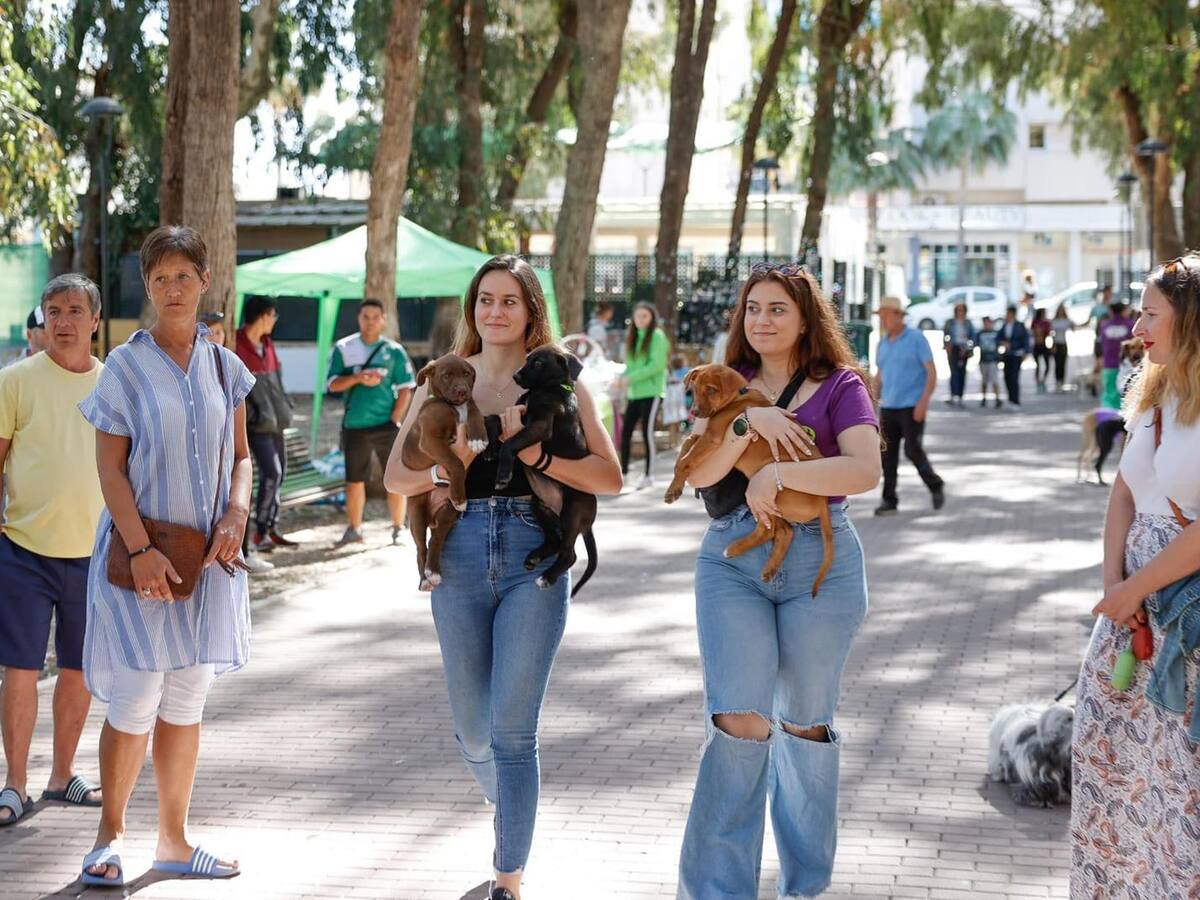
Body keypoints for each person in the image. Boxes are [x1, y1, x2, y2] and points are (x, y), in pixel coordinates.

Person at [384, 255, 622, 900]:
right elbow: (394, 478)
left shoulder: (558, 386)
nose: (495, 311)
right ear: (472, 308)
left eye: (509, 301)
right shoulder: (441, 383)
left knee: (513, 732)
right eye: (485, 299)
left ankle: (507, 878)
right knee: (472, 729)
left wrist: (538, 451)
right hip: (457, 555)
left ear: (530, 310)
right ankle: (512, 803)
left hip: (533, 557)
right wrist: (446, 468)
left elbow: (610, 477)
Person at [675, 263, 880, 900]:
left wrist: (779, 477)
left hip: (821, 563)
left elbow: (863, 469)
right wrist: (747, 425)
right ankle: (716, 891)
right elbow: (705, 476)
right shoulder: (724, 387)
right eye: (753, 309)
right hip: (732, 564)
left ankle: (804, 887)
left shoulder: (840, 384)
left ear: (804, 319)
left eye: (777, 310)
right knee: (740, 721)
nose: (761, 321)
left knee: (805, 727)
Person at [78, 225, 254, 885]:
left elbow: (241, 458)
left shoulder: (224, 366)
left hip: (210, 561)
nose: (172, 289)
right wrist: (141, 548)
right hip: (140, 561)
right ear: (147, 287)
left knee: (186, 701)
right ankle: (109, 838)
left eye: (184, 276)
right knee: (134, 697)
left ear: (205, 282)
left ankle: (174, 843)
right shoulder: (124, 366)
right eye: (159, 278)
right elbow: (111, 471)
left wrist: (237, 511)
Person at [1072, 255, 1200, 898]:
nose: (1138, 324)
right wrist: (1115, 585)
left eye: (1152, 312)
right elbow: (1123, 491)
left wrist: (1136, 589)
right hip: (1133, 604)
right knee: (1108, 752)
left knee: (1177, 775)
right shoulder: (1153, 387)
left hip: (1184, 608)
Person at [0, 275, 105, 827]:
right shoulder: (15, 381)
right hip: (22, 550)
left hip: (94, 555)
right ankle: (14, 785)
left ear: (94, 319)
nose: (62, 321)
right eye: (52, 311)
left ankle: (62, 775)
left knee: (80, 669)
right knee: (18, 668)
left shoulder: (115, 385)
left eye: (73, 310)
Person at [327, 298, 415, 548]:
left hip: (386, 424)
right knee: (354, 479)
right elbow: (332, 384)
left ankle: (398, 528)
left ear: (384, 320)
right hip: (355, 424)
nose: (370, 322)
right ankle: (354, 528)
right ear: (359, 318)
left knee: (395, 478)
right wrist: (356, 378)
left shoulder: (394, 351)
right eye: (366, 316)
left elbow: (406, 388)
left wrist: (395, 418)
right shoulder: (344, 347)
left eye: (375, 317)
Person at [235, 295, 296, 561]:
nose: (275, 320)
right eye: (273, 314)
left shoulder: (267, 344)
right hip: (256, 424)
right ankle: (260, 529)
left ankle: (270, 526)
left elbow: (277, 382)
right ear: (262, 315)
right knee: (272, 472)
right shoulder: (237, 343)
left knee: (278, 475)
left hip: (276, 421)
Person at [874, 295, 945, 515]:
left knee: (913, 449)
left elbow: (931, 373)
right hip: (889, 406)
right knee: (887, 455)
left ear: (898, 316)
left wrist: (923, 402)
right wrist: (870, 403)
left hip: (911, 405)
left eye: (885, 315)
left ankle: (935, 484)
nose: (882, 320)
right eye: (881, 316)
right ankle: (889, 500)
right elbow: (880, 376)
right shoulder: (882, 343)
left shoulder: (916, 339)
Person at [619, 302, 669, 489]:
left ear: (651, 318)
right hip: (634, 393)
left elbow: (655, 366)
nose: (640, 320)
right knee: (625, 433)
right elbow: (630, 366)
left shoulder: (657, 336)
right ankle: (624, 473)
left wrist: (629, 378)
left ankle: (648, 475)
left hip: (652, 392)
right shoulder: (632, 337)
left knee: (647, 432)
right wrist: (621, 378)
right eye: (638, 316)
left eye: (644, 316)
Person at [1099, 300, 1135, 409]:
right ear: (1124, 311)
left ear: (1111, 312)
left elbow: (1101, 344)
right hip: (1126, 364)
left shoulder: (1105, 326)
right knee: (1125, 392)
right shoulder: (1130, 325)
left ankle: (1108, 418)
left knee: (1109, 392)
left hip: (1108, 363)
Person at [942, 302, 976, 406]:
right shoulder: (950, 322)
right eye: (958, 310)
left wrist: (967, 348)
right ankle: (953, 395)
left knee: (962, 372)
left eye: (962, 310)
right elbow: (946, 335)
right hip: (953, 348)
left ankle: (960, 396)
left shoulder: (968, 323)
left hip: (963, 349)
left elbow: (973, 338)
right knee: (953, 372)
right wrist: (947, 345)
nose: (960, 312)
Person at [998, 305, 1030, 407]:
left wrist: (1026, 352)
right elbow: (998, 337)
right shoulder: (1004, 326)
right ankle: (1010, 398)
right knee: (1007, 377)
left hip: (1017, 354)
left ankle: (1015, 400)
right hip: (1007, 354)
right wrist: (1003, 343)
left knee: (1014, 377)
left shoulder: (1020, 326)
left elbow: (1026, 340)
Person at [976, 315, 1003, 408]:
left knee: (994, 380)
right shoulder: (980, 333)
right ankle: (984, 398)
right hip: (983, 360)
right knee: (984, 380)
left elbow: (1001, 343)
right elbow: (975, 343)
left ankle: (997, 398)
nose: (986, 325)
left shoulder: (996, 333)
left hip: (993, 360)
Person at [1050, 302, 1073, 391]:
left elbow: (1072, 327)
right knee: (1057, 363)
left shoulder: (1066, 321)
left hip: (1063, 344)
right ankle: (1057, 381)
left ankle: (1062, 381)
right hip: (1056, 343)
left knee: (1063, 363)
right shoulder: (1054, 321)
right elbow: (1051, 333)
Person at [1030, 307, 1053, 394]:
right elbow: (1032, 333)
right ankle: (1038, 382)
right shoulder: (1035, 322)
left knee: (1047, 365)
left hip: (1044, 345)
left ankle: (1043, 380)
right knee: (1038, 365)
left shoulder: (1047, 322)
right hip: (1036, 346)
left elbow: (1049, 333)